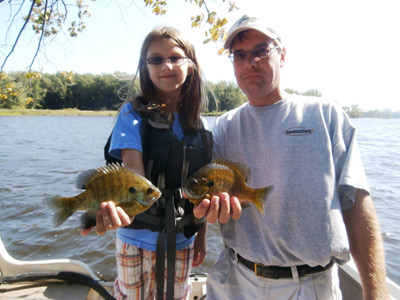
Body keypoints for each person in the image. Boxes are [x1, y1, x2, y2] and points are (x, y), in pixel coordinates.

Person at [193, 15, 390, 299]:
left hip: (310, 286)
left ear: (282, 55)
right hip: (235, 279)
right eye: (240, 55)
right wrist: (209, 211)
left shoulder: (325, 115)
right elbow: (216, 200)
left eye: (262, 50)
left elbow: (358, 206)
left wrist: (377, 294)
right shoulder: (224, 125)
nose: (251, 62)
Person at [82, 26, 212, 300]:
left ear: (191, 65)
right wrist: (112, 214)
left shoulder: (200, 126)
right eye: (156, 59)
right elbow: (132, 177)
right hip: (135, 240)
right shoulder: (132, 115)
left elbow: (204, 193)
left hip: (183, 240)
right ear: (146, 67)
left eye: (176, 57)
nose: (166, 66)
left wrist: (201, 237)